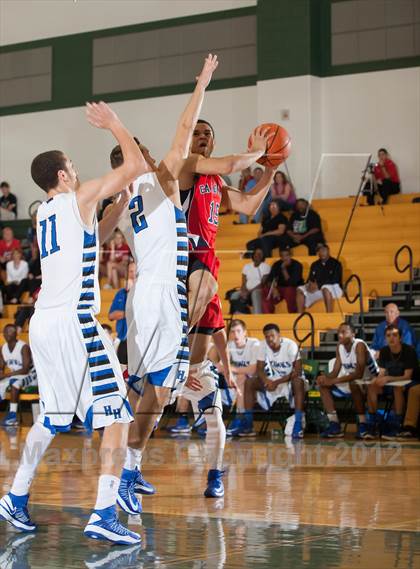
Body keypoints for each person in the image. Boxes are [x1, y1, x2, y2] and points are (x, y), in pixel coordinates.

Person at [0, 101, 146, 544]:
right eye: (74, 167)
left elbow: (92, 238)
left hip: (43, 323)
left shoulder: (46, 213)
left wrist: (118, 206)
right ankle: (104, 511)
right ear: (63, 175)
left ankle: (15, 495)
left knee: (52, 417)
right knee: (119, 414)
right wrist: (114, 124)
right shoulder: (78, 197)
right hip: (76, 323)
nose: (79, 172)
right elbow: (136, 162)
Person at [112, 54, 220, 504]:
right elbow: (183, 131)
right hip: (160, 297)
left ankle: (129, 468)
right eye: (145, 152)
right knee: (157, 394)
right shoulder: (161, 180)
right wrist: (202, 84)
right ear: (140, 158)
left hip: (144, 297)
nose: (157, 155)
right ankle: (122, 477)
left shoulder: (121, 197)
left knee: (152, 393)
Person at [178, 112, 274, 495]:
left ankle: (215, 475)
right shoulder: (187, 168)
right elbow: (236, 163)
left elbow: (250, 206)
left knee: (209, 399)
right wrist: (259, 152)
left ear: (213, 141)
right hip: (184, 261)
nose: (201, 136)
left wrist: (270, 169)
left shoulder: (216, 182)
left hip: (208, 265)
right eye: (197, 132)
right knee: (155, 390)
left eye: (207, 133)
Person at [237, 323, 307, 439]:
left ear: (279, 335)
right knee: (249, 382)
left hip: (289, 380)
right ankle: (248, 425)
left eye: (272, 336)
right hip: (273, 381)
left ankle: (298, 424)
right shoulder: (262, 345)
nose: (270, 339)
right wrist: (266, 381)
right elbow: (259, 369)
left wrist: (276, 382)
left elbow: (297, 371)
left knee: (298, 382)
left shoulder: (290, 345)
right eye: (267, 336)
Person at [317, 323, 379, 439]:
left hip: (371, 380)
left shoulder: (359, 345)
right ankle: (334, 425)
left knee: (353, 384)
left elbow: (359, 374)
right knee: (323, 386)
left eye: (344, 332)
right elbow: (335, 371)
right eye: (338, 332)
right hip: (354, 380)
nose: (340, 335)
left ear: (352, 334)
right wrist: (325, 377)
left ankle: (363, 424)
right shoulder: (339, 347)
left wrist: (334, 380)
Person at [366, 325, 419, 440]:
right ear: (385, 338)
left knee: (397, 388)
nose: (391, 338)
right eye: (388, 335)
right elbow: (382, 373)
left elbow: (407, 376)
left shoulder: (409, 351)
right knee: (372, 386)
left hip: (409, 382)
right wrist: (377, 379)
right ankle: (373, 423)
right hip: (391, 381)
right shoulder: (384, 351)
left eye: (395, 335)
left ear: (400, 338)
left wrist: (388, 378)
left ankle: (397, 425)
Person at [223, 320, 259, 437]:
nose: (236, 334)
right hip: (240, 381)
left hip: (259, 380)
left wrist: (231, 369)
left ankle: (240, 419)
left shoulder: (254, 344)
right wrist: (227, 369)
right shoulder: (229, 345)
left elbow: (253, 369)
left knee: (241, 377)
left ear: (245, 333)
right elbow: (220, 366)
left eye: (238, 331)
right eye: (233, 332)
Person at [0, 324, 38, 426]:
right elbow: (1, 366)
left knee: (15, 382)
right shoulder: (3, 348)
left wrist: (5, 375)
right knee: (5, 383)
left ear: (16, 334)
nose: (6, 334)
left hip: (31, 375)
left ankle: (12, 416)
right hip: (15, 375)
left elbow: (25, 369)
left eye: (9, 332)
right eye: (5, 332)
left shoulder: (23, 347)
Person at [296, 244, 343, 313]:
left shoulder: (336, 263)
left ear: (328, 251)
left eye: (324, 250)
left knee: (325, 288)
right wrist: (309, 285)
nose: (322, 252)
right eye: (320, 251)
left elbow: (335, 279)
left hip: (333, 288)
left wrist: (318, 285)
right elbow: (310, 278)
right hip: (317, 289)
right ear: (318, 253)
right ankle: (300, 315)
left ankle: (329, 315)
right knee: (299, 289)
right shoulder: (314, 264)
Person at [108, 261, 136, 363]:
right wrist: (126, 313)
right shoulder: (121, 293)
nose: (132, 275)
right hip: (121, 339)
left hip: (137, 341)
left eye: (134, 271)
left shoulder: (144, 291)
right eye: (130, 272)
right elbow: (111, 315)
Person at [262, 248, 303, 314]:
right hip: (279, 288)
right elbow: (269, 280)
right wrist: (274, 289)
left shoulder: (297, 265)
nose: (284, 258)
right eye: (282, 256)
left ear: (291, 255)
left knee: (289, 291)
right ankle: (268, 315)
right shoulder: (276, 264)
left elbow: (292, 283)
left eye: (287, 255)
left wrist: (283, 269)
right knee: (264, 290)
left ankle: (293, 314)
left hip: (293, 288)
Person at [229, 248, 270, 314]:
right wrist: (243, 290)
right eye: (256, 253)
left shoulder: (266, 266)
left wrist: (249, 292)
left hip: (259, 290)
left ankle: (257, 315)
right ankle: (235, 314)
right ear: (253, 255)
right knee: (234, 295)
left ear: (263, 256)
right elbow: (244, 281)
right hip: (246, 290)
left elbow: (263, 283)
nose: (258, 255)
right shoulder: (247, 266)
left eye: (260, 253)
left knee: (255, 293)